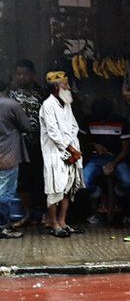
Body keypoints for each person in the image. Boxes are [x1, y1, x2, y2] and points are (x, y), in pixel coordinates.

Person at [38, 71, 83, 238]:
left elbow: (74, 126)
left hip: (70, 151)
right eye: (65, 84)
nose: (69, 87)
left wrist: (72, 147)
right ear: (56, 87)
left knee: (67, 189)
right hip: (54, 153)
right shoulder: (48, 105)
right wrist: (70, 149)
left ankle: (62, 222)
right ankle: (54, 224)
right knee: (54, 189)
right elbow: (53, 133)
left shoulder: (66, 104)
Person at [79, 98, 130, 222]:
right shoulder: (87, 120)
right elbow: (81, 141)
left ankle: (115, 196)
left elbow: (126, 149)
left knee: (127, 181)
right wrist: (94, 145)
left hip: (117, 158)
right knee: (84, 181)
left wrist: (114, 163)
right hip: (95, 158)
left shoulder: (121, 122)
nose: (102, 121)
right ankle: (100, 196)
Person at [9, 59, 45, 227]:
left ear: (33, 75)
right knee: (22, 181)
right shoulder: (11, 95)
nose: (22, 77)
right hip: (19, 145)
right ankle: (28, 214)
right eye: (19, 74)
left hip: (40, 145)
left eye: (25, 74)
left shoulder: (41, 95)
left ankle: (43, 213)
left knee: (41, 179)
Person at [0, 76, 31, 239]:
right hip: (8, 153)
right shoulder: (11, 104)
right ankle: (2, 226)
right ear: (7, 86)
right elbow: (27, 126)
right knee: (5, 191)